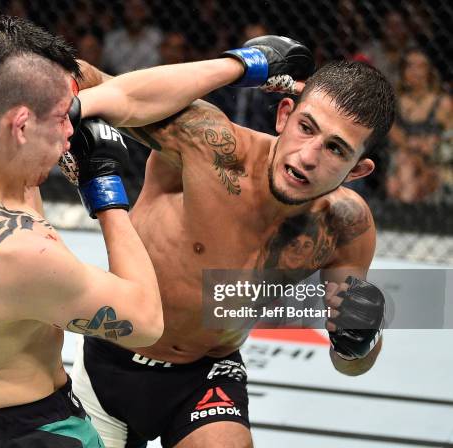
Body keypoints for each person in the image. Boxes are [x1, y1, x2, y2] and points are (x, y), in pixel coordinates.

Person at [71, 37, 395, 447]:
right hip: (111, 361)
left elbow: (349, 364)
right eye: (306, 128)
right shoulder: (212, 147)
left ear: (358, 170)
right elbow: (92, 83)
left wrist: (362, 341)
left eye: (335, 149)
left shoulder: (345, 226)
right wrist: (239, 65)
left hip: (206, 372)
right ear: (284, 114)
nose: (309, 156)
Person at [0, 16, 168, 447]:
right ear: (21, 125)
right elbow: (146, 320)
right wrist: (106, 192)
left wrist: (240, 66)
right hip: (38, 434)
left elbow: (123, 94)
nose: (71, 131)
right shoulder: (16, 249)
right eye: (63, 119)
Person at [387, 47, 452, 203]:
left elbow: (449, 139)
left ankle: (403, 216)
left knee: (405, 170)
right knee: (403, 169)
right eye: (410, 66)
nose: (415, 71)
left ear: (430, 71)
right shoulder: (394, 104)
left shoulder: (442, 103)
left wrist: (434, 144)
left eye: (421, 66)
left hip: (434, 165)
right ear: (403, 71)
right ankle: (408, 212)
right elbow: (396, 137)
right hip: (402, 164)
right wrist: (417, 145)